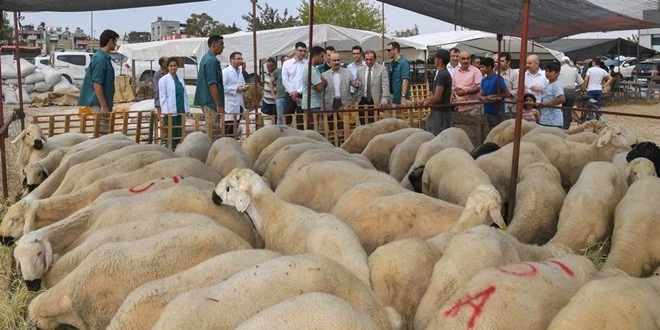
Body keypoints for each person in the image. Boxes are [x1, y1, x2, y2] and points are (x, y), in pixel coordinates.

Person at [78, 29, 119, 135]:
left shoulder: (104, 58)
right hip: (99, 104)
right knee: (102, 135)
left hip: (102, 103)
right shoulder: (100, 59)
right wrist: (104, 106)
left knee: (104, 133)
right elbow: (97, 84)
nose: (116, 44)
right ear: (110, 41)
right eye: (115, 41)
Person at [194, 35, 225, 139]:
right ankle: (212, 153)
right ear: (213, 45)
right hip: (211, 102)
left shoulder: (206, 58)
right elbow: (212, 84)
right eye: (221, 44)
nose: (223, 47)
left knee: (211, 130)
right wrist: (218, 105)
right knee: (214, 131)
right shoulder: (211, 61)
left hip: (207, 101)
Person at [158, 57, 190, 149]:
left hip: (181, 110)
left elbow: (185, 95)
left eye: (175, 65)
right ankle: (169, 150)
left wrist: (187, 109)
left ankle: (177, 150)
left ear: (177, 67)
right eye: (171, 66)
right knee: (171, 133)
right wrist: (166, 112)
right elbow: (163, 97)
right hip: (170, 112)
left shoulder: (180, 79)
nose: (173, 67)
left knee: (180, 132)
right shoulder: (163, 80)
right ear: (167, 67)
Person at [419, 49, 453, 135]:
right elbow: (436, 95)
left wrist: (426, 103)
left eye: (435, 58)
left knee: (436, 138)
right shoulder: (442, 73)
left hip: (441, 113)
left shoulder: (442, 75)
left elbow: (437, 97)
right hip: (438, 111)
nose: (434, 60)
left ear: (439, 60)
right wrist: (425, 100)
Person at [356, 50, 390, 123]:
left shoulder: (382, 69)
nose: (369, 61)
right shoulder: (360, 70)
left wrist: (384, 99)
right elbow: (358, 85)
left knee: (373, 124)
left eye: (371, 59)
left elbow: (385, 85)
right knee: (363, 123)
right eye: (367, 59)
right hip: (362, 100)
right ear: (364, 59)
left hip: (375, 100)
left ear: (375, 59)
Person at [478, 57, 512, 128]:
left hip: (497, 112)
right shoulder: (484, 80)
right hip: (487, 112)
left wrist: (494, 96)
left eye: (482, 67)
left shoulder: (498, 78)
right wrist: (484, 97)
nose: (481, 69)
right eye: (480, 67)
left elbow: (507, 94)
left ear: (489, 67)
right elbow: (479, 95)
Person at [222, 52, 249, 137]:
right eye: (238, 59)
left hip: (239, 104)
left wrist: (244, 87)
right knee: (229, 129)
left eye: (241, 58)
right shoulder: (225, 72)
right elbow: (222, 87)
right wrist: (236, 88)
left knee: (235, 127)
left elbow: (241, 83)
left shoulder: (240, 72)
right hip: (230, 105)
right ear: (232, 60)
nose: (240, 60)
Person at [282, 42, 308, 124]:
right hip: (289, 94)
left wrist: (298, 92)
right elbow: (285, 80)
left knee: (301, 119)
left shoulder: (307, 64)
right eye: (300, 50)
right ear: (295, 50)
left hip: (302, 94)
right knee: (287, 118)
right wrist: (292, 93)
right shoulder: (287, 64)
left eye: (304, 51)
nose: (302, 53)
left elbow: (307, 81)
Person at [558, 56, 584, 129]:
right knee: (568, 110)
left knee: (558, 109)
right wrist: (583, 90)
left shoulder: (558, 70)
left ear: (561, 62)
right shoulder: (574, 70)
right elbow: (582, 83)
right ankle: (565, 128)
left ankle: (559, 126)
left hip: (560, 91)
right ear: (569, 62)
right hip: (571, 92)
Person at [537, 61, 565, 128]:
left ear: (557, 73)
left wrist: (545, 105)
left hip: (553, 121)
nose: (547, 73)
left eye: (550, 71)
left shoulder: (556, 84)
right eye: (546, 71)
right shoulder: (548, 84)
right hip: (545, 118)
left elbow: (561, 99)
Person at [301, 46, 328, 114]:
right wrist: (322, 83)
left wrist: (322, 83)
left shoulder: (314, 69)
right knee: (313, 124)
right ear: (315, 56)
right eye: (321, 56)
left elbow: (325, 82)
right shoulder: (312, 70)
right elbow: (320, 88)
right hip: (312, 105)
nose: (323, 59)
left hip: (312, 104)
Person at [494, 52, 519, 116]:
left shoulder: (514, 75)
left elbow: (517, 90)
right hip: (495, 107)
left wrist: (504, 94)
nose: (500, 63)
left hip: (508, 108)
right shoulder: (494, 73)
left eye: (502, 61)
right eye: (499, 61)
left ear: (508, 62)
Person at [152, 57, 168, 143]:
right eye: (166, 62)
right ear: (162, 64)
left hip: (169, 101)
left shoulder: (170, 73)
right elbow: (158, 89)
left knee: (169, 120)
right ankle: (163, 140)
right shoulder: (157, 75)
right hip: (160, 101)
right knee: (162, 122)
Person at [271, 55, 290, 125]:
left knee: (289, 116)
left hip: (289, 96)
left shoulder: (291, 70)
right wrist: (273, 94)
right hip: (280, 97)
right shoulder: (278, 71)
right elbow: (271, 81)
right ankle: (279, 132)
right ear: (283, 62)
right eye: (287, 61)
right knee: (280, 117)